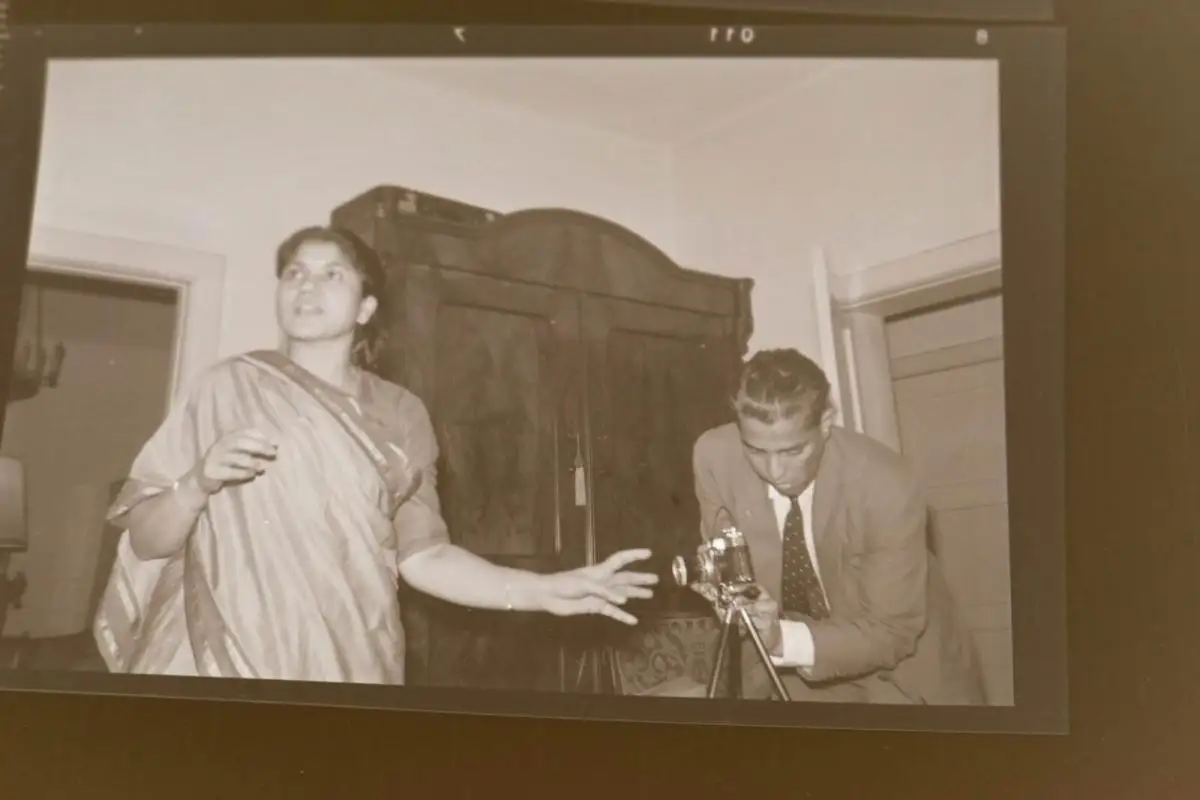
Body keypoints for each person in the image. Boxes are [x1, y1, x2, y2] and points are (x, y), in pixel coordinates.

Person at [93, 225, 657, 684]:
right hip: (222, 655)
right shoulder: (224, 387)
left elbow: (424, 557)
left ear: (365, 307)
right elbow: (145, 540)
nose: (306, 286)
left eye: (331, 274)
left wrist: (541, 591)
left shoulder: (402, 412)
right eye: (294, 273)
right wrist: (197, 482)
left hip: (351, 652)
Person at [690, 348, 985, 704]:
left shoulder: (886, 483)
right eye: (756, 451)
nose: (774, 472)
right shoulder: (715, 457)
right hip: (792, 672)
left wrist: (782, 639)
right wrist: (735, 599)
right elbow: (732, 569)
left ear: (826, 423)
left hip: (901, 672)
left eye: (793, 451)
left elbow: (890, 631)